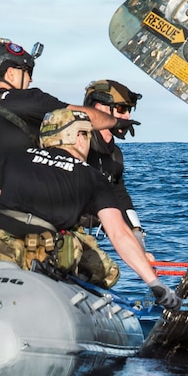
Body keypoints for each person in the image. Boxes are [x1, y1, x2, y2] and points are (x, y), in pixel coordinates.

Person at [0, 108, 181, 311]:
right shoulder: (92, 176)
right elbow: (119, 234)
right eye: (86, 135)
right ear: (77, 137)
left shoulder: (14, 158)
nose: (88, 142)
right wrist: (155, 284)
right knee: (108, 271)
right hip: (42, 254)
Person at [0, 39, 117, 212]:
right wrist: (116, 121)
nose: (31, 79)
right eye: (28, 71)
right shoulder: (30, 99)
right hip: (12, 207)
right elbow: (86, 117)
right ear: (11, 73)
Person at [81, 79, 150, 255]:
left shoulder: (115, 155)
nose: (127, 117)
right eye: (121, 109)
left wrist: (137, 239)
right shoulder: (77, 144)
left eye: (129, 110)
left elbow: (120, 196)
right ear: (99, 108)